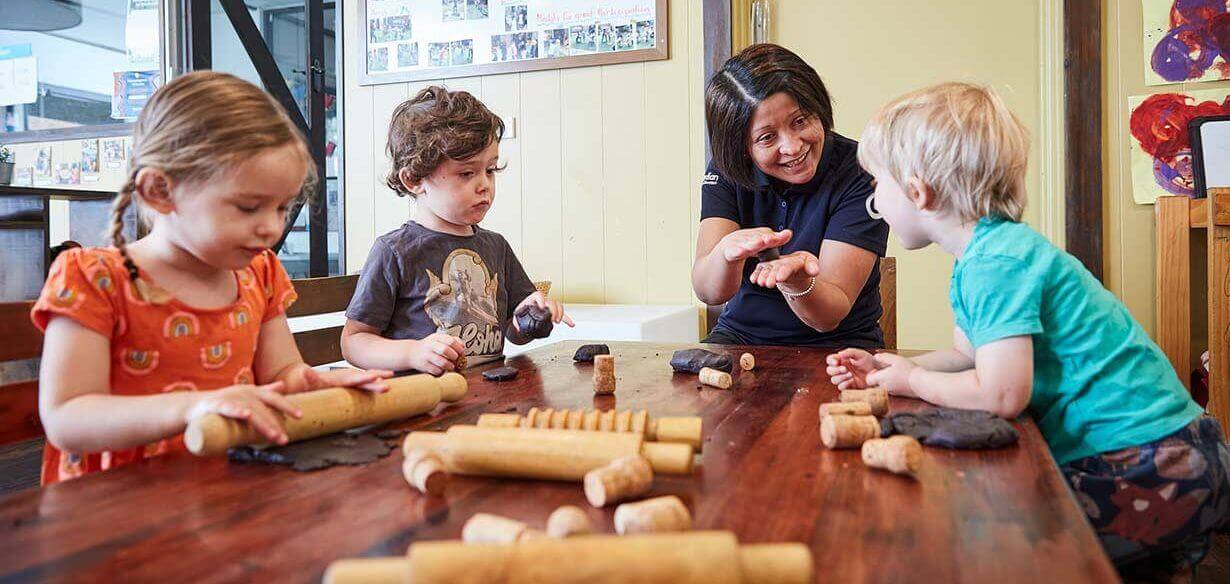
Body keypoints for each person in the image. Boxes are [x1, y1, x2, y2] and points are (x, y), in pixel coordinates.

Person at [829, 81, 1230, 579]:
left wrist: (912, 384)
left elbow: (1001, 394)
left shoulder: (995, 263)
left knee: (1001, 548)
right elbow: (968, 354)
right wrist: (899, 367)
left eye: (876, 185)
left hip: (1151, 463)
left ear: (918, 192)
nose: (874, 202)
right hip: (1165, 454)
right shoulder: (988, 254)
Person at [32, 72, 391, 485]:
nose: (271, 229)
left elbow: (281, 373)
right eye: (248, 207)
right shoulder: (94, 279)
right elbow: (68, 417)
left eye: (281, 208)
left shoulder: (260, 273)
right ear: (160, 191)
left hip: (225, 488)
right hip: (111, 505)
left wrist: (310, 382)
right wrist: (194, 406)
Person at [341, 86, 573, 375]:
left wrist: (533, 319)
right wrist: (412, 352)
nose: (484, 184)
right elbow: (354, 342)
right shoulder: (395, 251)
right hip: (423, 404)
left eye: (490, 170)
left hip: (485, 396)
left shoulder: (496, 246)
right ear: (414, 180)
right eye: (466, 173)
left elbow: (513, 334)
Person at [693, 44, 888, 348]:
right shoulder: (728, 169)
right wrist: (725, 254)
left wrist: (795, 279)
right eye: (767, 137)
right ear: (741, 147)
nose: (793, 146)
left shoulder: (860, 171)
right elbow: (709, 291)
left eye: (801, 121)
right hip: (740, 337)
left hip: (840, 345)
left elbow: (828, 316)